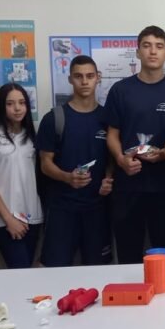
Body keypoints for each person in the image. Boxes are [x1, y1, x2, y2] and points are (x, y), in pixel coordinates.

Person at [105, 26, 165, 264]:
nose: (153, 51)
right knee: (128, 254)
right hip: (128, 185)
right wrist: (121, 160)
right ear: (138, 52)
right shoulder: (120, 90)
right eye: (147, 45)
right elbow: (112, 134)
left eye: (159, 46)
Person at [36, 55, 113, 267]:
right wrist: (67, 177)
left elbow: (112, 158)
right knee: (55, 270)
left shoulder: (108, 118)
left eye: (90, 76)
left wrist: (108, 178)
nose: (85, 81)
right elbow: (45, 164)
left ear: (98, 78)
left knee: (98, 270)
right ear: (70, 79)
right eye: (78, 76)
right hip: (62, 208)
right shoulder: (54, 119)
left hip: (97, 209)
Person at [0, 83, 43, 268]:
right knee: (19, 271)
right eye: (10, 103)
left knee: (27, 272)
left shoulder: (31, 136)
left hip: (33, 216)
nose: (17, 108)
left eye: (22, 103)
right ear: (1, 106)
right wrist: (9, 219)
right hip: (5, 219)